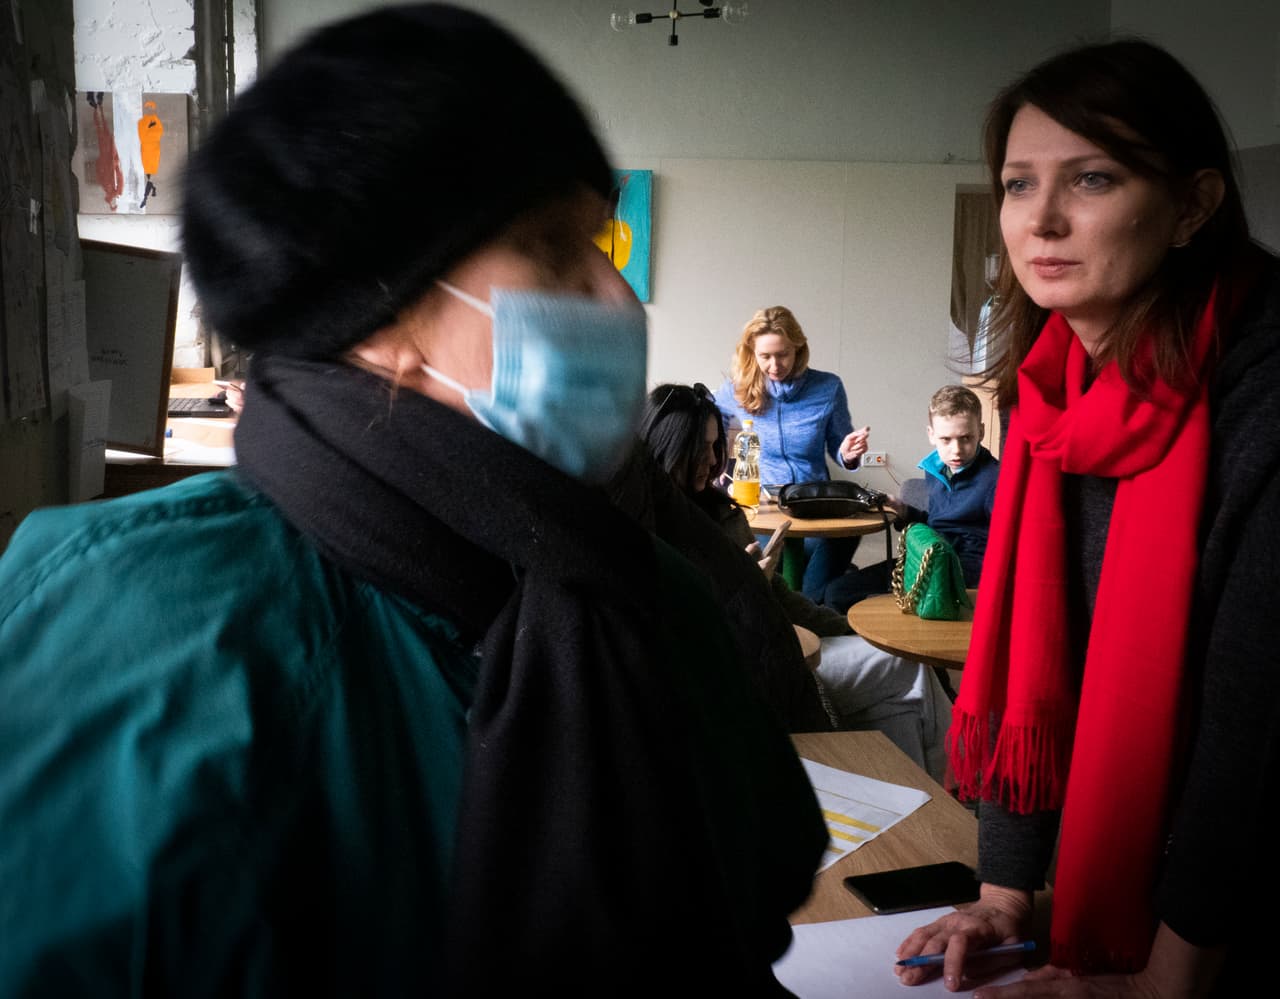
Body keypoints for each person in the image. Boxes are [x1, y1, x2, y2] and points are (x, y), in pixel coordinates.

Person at [0, 6, 828, 996]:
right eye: (551, 247)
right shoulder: (129, 617)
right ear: (379, 307)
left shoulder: (656, 595)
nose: (616, 299)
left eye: (597, 241)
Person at [893, 38, 1280, 998]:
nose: (1044, 220)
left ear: (1193, 205)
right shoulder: (1052, 389)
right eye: (1019, 185)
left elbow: (1254, 726)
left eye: (1093, 178)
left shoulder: (1262, 389)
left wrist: (1164, 984)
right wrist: (1005, 894)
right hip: (1134, 897)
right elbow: (1034, 659)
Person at [637, 383, 953, 781]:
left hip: (780, 649)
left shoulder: (720, 515)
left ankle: (919, 801)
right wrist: (745, 592)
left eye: (717, 447)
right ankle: (945, 790)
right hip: (742, 678)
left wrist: (850, 629)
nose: (712, 460)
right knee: (909, 674)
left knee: (902, 698)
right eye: (699, 449)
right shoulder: (644, 532)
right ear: (666, 446)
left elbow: (782, 598)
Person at [714, 305, 871, 602]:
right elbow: (712, 440)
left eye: (783, 353)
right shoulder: (734, 390)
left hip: (815, 505)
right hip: (762, 509)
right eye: (765, 356)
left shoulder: (828, 387)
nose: (775, 365)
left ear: (799, 348)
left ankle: (809, 621)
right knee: (772, 588)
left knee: (814, 590)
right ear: (752, 353)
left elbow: (839, 448)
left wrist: (848, 453)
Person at [823, 384, 998, 613]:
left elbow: (1005, 548)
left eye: (966, 438)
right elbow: (937, 523)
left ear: (981, 432)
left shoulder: (997, 479)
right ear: (931, 435)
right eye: (946, 439)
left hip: (966, 574)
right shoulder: (935, 468)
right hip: (927, 557)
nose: (956, 450)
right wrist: (904, 511)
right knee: (837, 593)